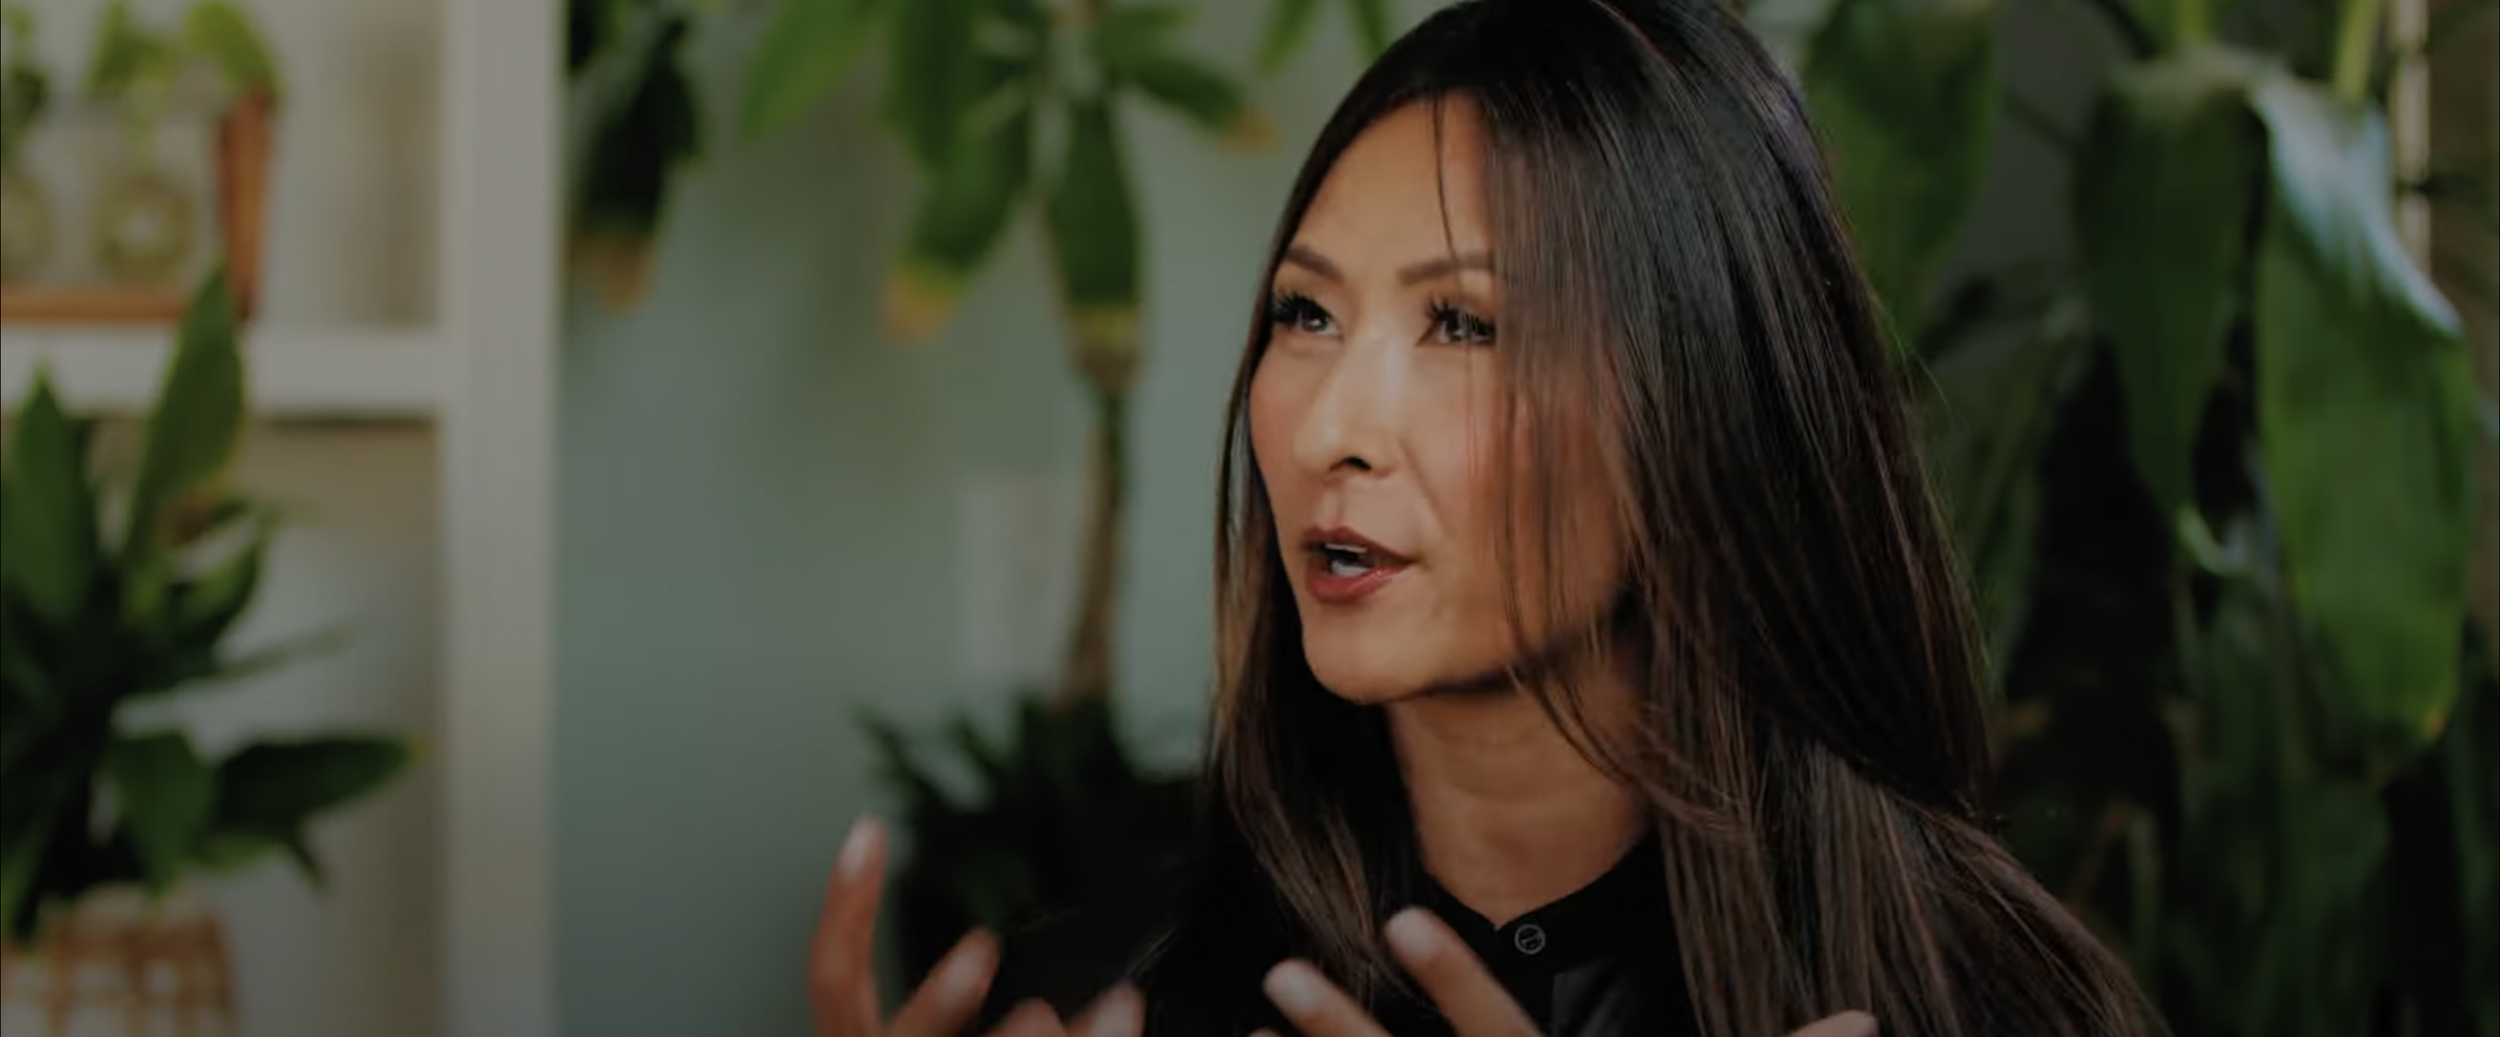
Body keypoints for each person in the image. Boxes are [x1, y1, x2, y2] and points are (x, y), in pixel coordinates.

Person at [807, 0, 2156, 1034]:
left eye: (1462, 324)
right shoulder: (1122, 993)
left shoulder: (1986, 998)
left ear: (1703, 406)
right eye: (1306, 313)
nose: (1333, 425)